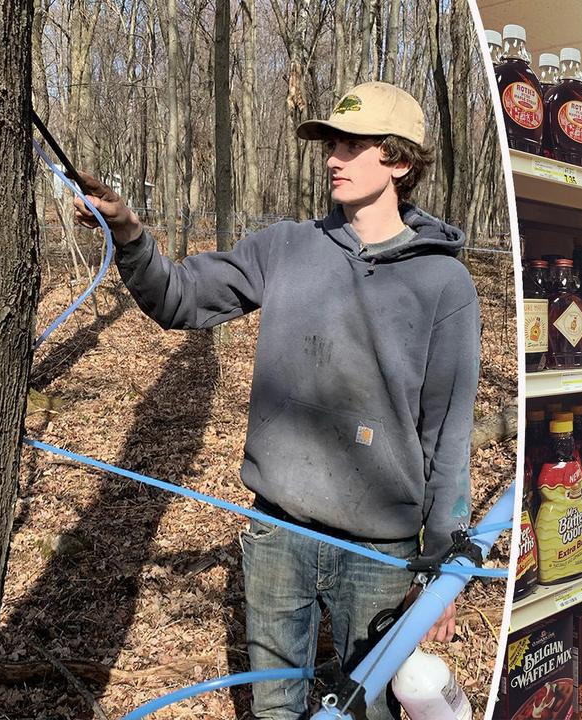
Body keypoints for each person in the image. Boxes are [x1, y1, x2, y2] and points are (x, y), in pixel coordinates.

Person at [72, 81, 480, 720]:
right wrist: (128, 232)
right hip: (277, 532)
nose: (333, 159)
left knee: (370, 709)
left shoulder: (444, 282)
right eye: (330, 144)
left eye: (353, 144)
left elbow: (447, 435)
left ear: (399, 162)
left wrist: (441, 570)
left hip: (380, 553)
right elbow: (180, 298)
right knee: (274, 709)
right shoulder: (286, 247)